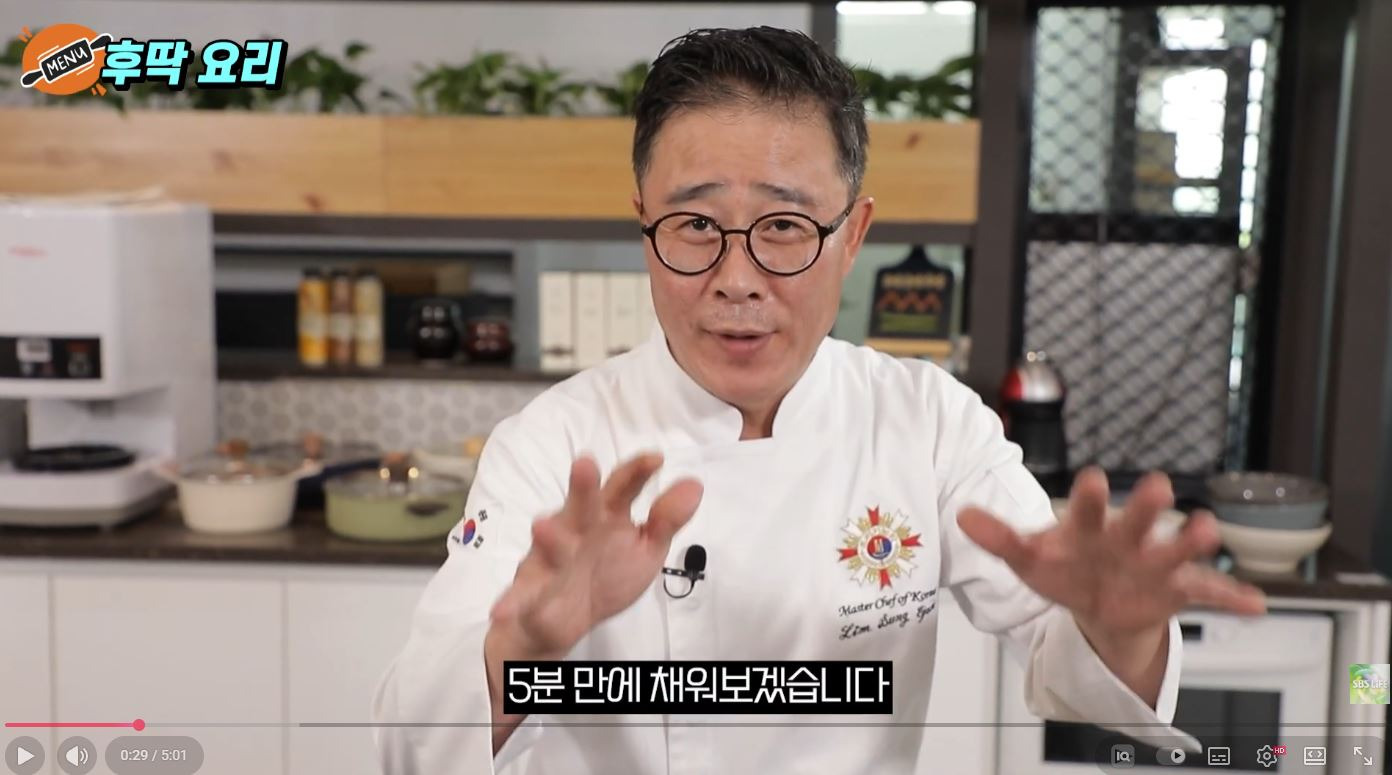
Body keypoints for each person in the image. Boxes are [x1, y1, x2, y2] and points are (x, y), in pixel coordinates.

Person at [373, 26, 1266, 775]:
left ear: (853, 235)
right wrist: (523, 651)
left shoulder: (928, 423)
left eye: (785, 227)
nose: (737, 279)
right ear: (643, 224)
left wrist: (1119, 627)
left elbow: (1069, 663)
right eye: (695, 224)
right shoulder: (551, 445)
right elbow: (411, 745)